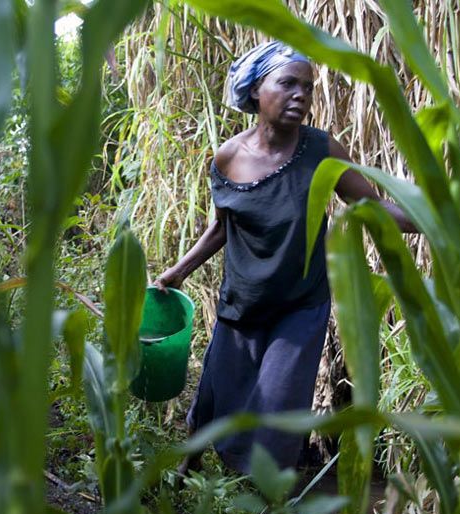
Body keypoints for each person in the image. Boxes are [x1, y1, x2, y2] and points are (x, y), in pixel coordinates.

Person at [153, 41, 415, 475]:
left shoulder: (322, 151)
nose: (301, 96)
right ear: (257, 91)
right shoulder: (228, 157)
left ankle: (268, 509)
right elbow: (222, 227)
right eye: (288, 84)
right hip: (242, 299)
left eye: (308, 88)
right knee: (217, 394)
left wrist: (429, 220)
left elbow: (369, 207)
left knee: (277, 404)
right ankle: (187, 472)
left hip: (300, 305)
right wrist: (178, 272)